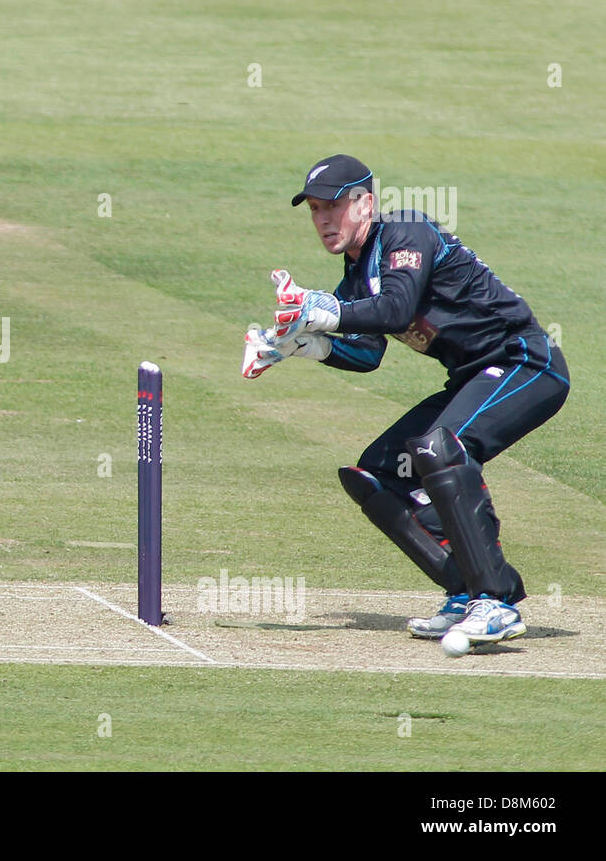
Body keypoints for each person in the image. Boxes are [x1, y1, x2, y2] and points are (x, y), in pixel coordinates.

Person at [242, 154, 569, 651]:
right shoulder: (354, 276)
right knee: (378, 473)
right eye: (313, 209)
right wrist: (307, 346)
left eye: (333, 206)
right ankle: (464, 590)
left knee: (443, 447)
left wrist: (325, 312)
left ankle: (495, 602)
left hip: (526, 363)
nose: (323, 220)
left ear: (366, 203)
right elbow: (367, 352)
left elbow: (394, 307)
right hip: (470, 376)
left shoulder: (406, 232)